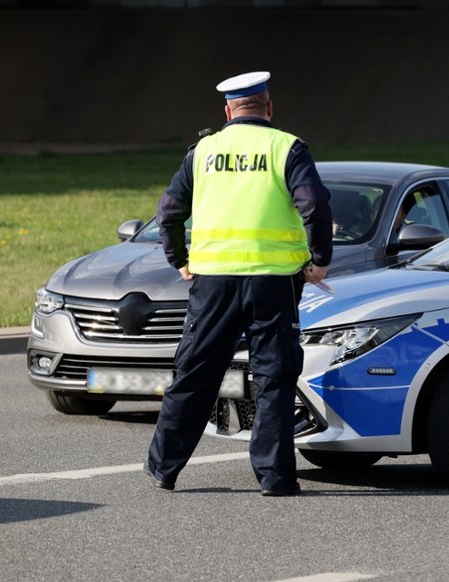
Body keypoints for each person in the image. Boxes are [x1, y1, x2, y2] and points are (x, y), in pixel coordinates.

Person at [144, 71, 333, 496]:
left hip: (213, 284)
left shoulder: (203, 151)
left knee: (195, 373)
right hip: (272, 283)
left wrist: (179, 261)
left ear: (228, 112)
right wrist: (320, 260)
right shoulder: (287, 147)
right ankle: (275, 478)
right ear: (269, 108)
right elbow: (315, 204)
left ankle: (163, 468)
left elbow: (168, 211)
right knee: (273, 378)